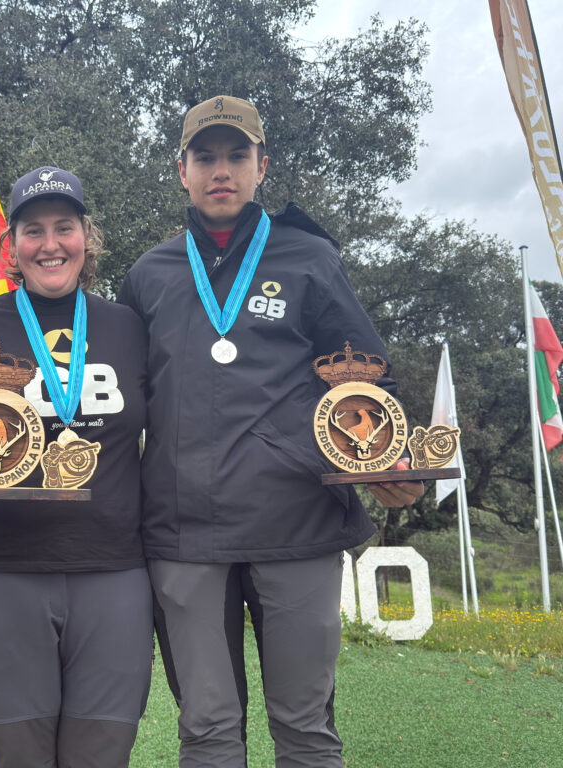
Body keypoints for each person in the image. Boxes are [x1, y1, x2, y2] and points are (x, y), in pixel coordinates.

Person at [118, 96, 422, 767]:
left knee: (306, 727)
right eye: (205, 157)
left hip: (298, 520)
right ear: (182, 170)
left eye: (236, 156)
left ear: (262, 166)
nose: (220, 170)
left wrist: (392, 456)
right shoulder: (148, 274)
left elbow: (368, 378)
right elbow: (117, 399)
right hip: (183, 532)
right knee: (207, 729)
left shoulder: (311, 258)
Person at [0, 167, 152, 767]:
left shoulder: (126, 326)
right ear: (11, 246)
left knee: (102, 755)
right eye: (33, 230)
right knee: (17, 755)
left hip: (112, 571)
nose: (50, 244)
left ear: (85, 237)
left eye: (64, 227)